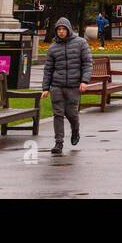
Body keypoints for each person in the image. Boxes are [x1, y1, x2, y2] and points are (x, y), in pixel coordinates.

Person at [40, 17, 92, 156]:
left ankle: (75, 130)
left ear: (68, 29)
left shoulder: (81, 43)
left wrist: (84, 81)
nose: (61, 32)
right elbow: (48, 69)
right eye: (59, 29)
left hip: (74, 86)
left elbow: (87, 64)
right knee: (58, 114)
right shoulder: (53, 48)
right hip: (57, 86)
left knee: (72, 114)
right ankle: (59, 142)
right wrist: (46, 88)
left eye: (63, 29)